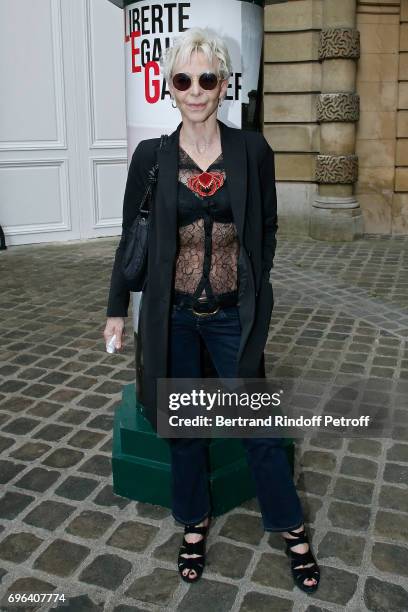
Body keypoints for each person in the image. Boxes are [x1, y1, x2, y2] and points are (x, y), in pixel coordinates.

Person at [103, 27, 320, 593]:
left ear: (223, 84)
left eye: (206, 78)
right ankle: (194, 522)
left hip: (232, 315)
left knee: (259, 425)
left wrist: (256, 280)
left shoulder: (253, 150)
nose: (195, 90)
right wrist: (117, 309)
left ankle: (291, 527)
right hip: (172, 316)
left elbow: (267, 226)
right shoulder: (152, 157)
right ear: (169, 89)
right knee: (185, 427)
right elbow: (132, 237)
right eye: (183, 80)